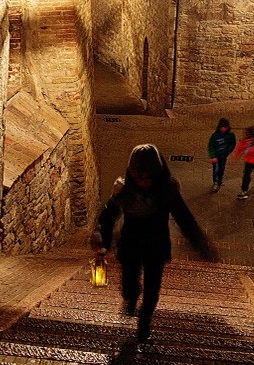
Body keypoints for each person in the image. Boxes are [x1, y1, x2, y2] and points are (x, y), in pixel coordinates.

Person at [92, 144, 217, 345]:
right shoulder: (123, 190)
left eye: (147, 178)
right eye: (138, 178)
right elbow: (108, 216)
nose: (143, 183)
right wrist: (101, 239)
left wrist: (200, 244)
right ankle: (131, 297)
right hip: (130, 245)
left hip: (155, 246)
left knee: (152, 290)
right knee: (129, 285)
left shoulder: (167, 191)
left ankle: (144, 326)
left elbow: (184, 218)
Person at [206, 117, 236, 192]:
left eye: (225, 127)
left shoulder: (230, 135)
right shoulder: (215, 135)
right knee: (216, 170)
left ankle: (219, 180)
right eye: (222, 127)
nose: (223, 129)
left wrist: (228, 151)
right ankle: (216, 183)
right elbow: (211, 146)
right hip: (216, 156)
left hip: (223, 156)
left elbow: (233, 143)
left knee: (221, 168)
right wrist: (212, 156)